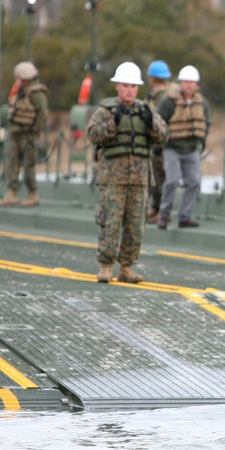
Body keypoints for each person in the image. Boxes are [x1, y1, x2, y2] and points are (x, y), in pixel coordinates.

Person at [86, 62, 167, 284]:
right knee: (110, 222)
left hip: (140, 178)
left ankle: (127, 267)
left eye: (133, 86)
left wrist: (151, 124)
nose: (129, 90)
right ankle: (106, 265)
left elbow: (163, 136)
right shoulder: (105, 111)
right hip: (113, 177)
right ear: (117, 87)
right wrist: (114, 122)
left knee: (135, 225)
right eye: (125, 85)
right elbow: (92, 134)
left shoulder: (145, 110)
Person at [156, 65, 209, 230]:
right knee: (172, 180)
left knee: (193, 182)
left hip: (191, 149)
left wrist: (202, 142)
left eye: (192, 82)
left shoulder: (201, 103)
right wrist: (158, 145)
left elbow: (206, 123)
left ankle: (185, 217)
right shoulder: (169, 102)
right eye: (186, 82)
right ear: (180, 83)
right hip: (172, 147)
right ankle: (163, 214)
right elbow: (158, 122)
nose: (189, 85)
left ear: (196, 85)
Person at [0, 61, 48, 207]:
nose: (17, 80)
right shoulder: (20, 91)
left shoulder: (36, 93)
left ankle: (32, 194)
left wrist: (33, 131)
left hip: (28, 135)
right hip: (14, 133)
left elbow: (43, 115)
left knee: (29, 164)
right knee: (11, 162)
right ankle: (12, 193)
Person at [144, 60, 173, 224]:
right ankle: (156, 208)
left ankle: (163, 211)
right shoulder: (159, 95)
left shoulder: (164, 97)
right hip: (158, 143)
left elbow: (159, 120)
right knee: (156, 179)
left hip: (161, 144)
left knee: (160, 179)